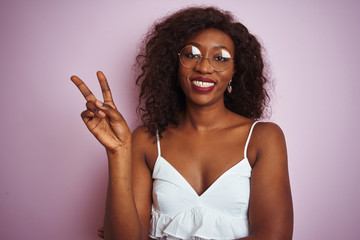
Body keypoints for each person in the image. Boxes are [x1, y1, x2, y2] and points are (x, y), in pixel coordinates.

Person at [71, 6, 293, 240]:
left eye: (220, 58)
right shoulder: (146, 139)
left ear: (235, 71)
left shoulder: (263, 138)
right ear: (174, 65)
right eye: (191, 54)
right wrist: (118, 153)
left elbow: (275, 236)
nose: (204, 67)